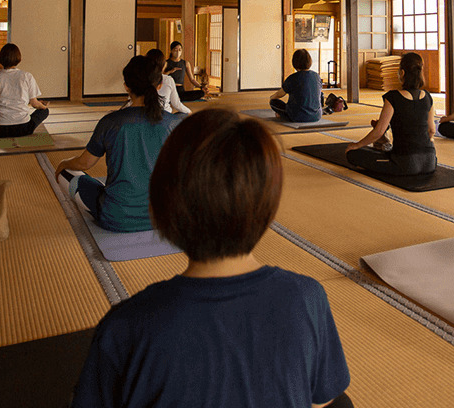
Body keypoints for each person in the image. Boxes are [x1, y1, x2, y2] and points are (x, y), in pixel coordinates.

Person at [73, 109, 353, 408]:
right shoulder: (307, 297)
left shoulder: (127, 325)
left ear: (158, 207)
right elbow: (322, 399)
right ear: (268, 208)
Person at [54, 56, 183, 232]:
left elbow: (85, 163)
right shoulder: (173, 123)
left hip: (117, 217)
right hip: (162, 217)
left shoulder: (111, 122)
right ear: (160, 85)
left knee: (66, 173)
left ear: (126, 87)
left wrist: (64, 164)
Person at [345, 52, 436, 176]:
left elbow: (379, 131)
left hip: (405, 163)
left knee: (352, 155)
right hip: (430, 162)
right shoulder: (427, 97)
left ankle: (384, 149)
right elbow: (431, 130)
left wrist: (357, 145)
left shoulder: (393, 97)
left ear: (402, 73)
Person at [129, 48, 190, 115]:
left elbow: (132, 101)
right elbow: (176, 104)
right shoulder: (168, 80)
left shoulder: (141, 78)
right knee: (182, 115)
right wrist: (189, 112)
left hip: (143, 115)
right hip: (165, 116)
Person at [270, 49, 322, 123]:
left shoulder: (293, 78)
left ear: (294, 62)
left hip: (297, 116)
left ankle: (283, 115)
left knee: (273, 102)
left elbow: (280, 94)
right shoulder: (316, 76)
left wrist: (271, 97)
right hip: (316, 116)